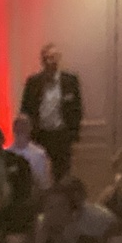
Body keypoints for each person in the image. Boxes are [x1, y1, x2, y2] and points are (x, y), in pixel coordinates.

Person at [20, 42, 85, 179]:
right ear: (42, 61)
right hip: (40, 136)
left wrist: (73, 134)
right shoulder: (33, 83)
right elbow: (25, 110)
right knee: (38, 173)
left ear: (58, 59)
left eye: (54, 57)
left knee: (62, 176)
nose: (51, 62)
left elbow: (77, 109)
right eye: (48, 58)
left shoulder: (70, 81)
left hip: (61, 136)